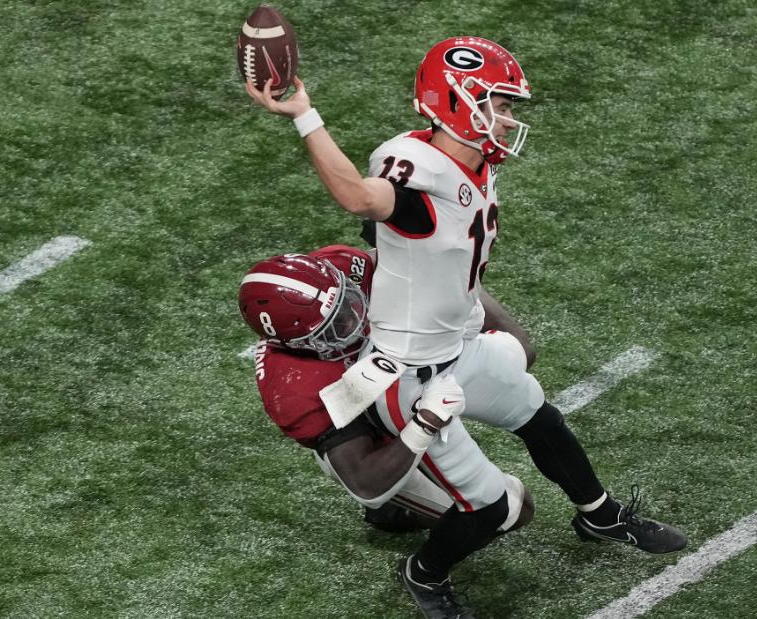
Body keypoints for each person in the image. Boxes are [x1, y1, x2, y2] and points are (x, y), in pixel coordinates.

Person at [245, 36, 687, 619]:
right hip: (410, 374)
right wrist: (306, 115)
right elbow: (358, 198)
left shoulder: (472, 161)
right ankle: (424, 571)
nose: (506, 118)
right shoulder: (418, 176)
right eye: (497, 105)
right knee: (493, 508)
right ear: (454, 102)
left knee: (537, 410)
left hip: (456, 344)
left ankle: (599, 516)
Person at [238, 245, 534, 537]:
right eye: (333, 327)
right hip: (368, 435)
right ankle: (404, 523)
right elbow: (365, 482)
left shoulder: (342, 264)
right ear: (296, 345)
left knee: (512, 354)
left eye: (347, 301)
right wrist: (424, 425)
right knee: (509, 511)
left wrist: (492, 324)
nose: (353, 320)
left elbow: (424, 264)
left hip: (409, 377)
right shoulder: (294, 390)